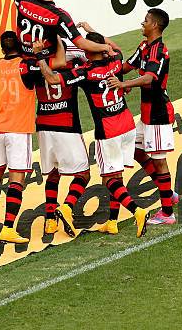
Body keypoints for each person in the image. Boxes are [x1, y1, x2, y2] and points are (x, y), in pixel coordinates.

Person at [36, 33, 150, 238]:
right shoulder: (116, 59)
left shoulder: (86, 72)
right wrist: (97, 36)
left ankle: (137, 211)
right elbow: (112, 47)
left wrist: (40, 58)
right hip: (127, 124)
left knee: (110, 181)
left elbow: (52, 79)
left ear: (89, 48)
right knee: (117, 174)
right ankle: (112, 222)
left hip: (108, 131)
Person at [107, 8, 178, 225]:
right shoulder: (145, 46)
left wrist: (124, 84)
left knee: (159, 162)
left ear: (155, 25)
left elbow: (149, 78)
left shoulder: (159, 50)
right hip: (147, 115)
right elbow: (127, 66)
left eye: (146, 20)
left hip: (158, 114)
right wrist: (107, 65)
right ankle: (169, 194)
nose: (142, 23)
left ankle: (167, 213)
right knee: (136, 151)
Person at [0, 31, 45, 243]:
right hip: (19, 130)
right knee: (17, 179)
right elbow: (42, 76)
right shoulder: (25, 65)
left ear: (2, 49)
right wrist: (37, 54)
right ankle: (8, 227)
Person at [32, 35, 91, 235]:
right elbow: (92, 58)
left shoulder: (33, 56)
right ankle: (66, 207)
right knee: (84, 173)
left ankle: (50, 220)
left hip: (43, 124)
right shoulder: (71, 51)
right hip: (66, 124)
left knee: (53, 172)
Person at [13, 0, 115, 60]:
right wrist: (105, 46)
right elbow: (81, 44)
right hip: (48, 59)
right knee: (84, 54)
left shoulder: (23, 1)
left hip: (24, 55)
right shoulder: (59, 16)